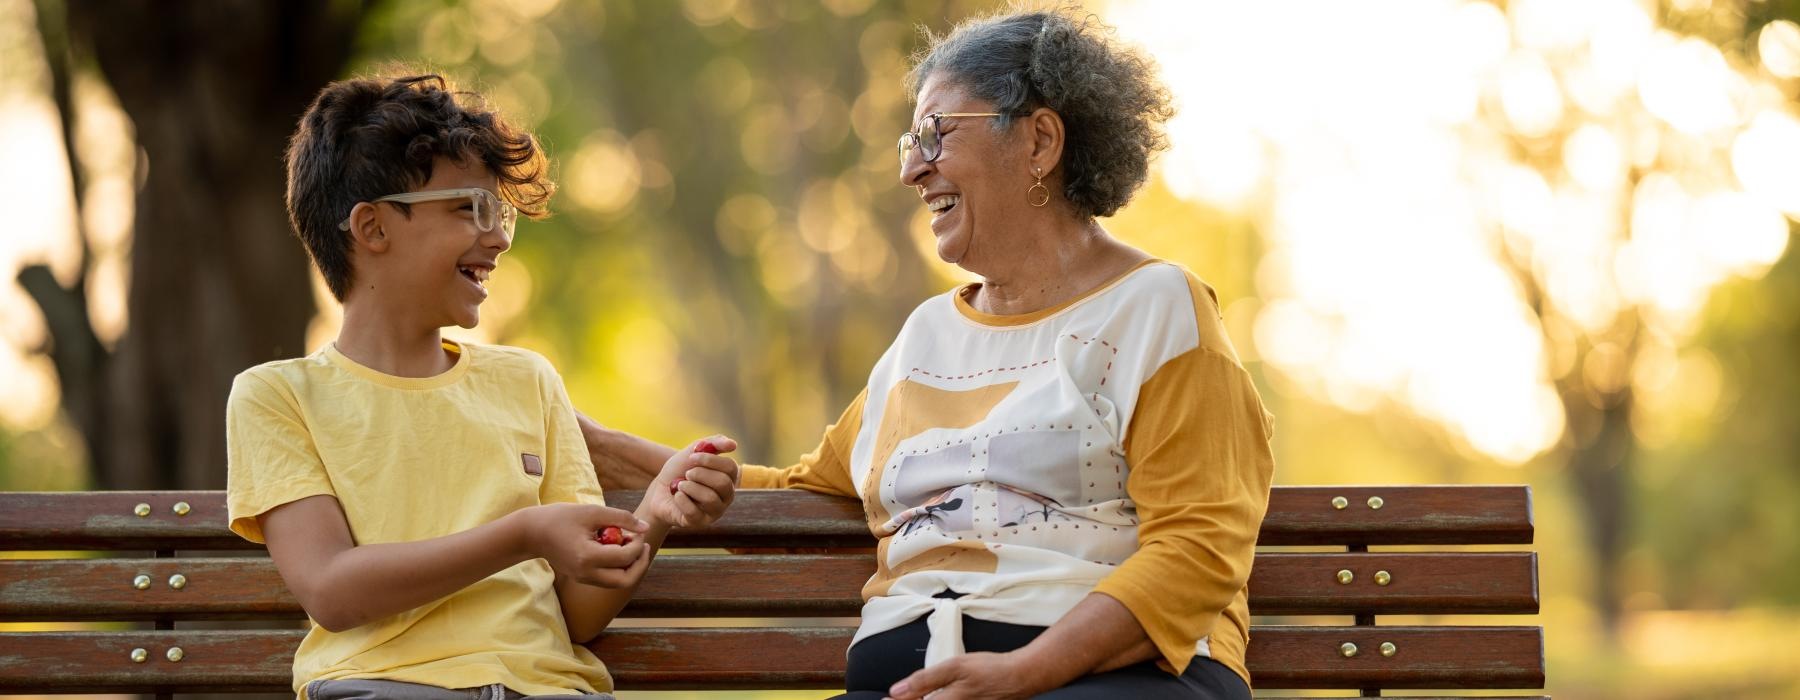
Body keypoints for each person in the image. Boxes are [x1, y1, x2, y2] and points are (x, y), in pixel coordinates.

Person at [584, 8, 1274, 700]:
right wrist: (583, 438)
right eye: (908, 143)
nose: (914, 168)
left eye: (935, 134)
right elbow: (802, 495)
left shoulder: (1158, 308)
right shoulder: (924, 339)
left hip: (1118, 681)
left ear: (1039, 140)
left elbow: (1196, 549)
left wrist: (1023, 673)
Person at [224, 73, 740, 700]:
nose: (497, 237)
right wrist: (524, 534)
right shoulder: (277, 397)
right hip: (382, 688)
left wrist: (653, 514)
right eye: (471, 209)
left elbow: (576, 616)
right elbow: (331, 589)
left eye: (501, 215)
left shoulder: (527, 381)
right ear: (373, 228)